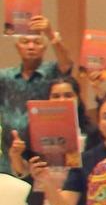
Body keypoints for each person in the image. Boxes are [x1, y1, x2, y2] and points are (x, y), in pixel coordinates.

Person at [2, 14, 73, 163]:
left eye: (37, 42)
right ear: (17, 47)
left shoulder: (52, 72)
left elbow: (67, 64)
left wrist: (50, 34)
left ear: (45, 47)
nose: (31, 47)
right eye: (25, 42)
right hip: (10, 155)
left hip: (46, 154)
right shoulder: (5, 77)